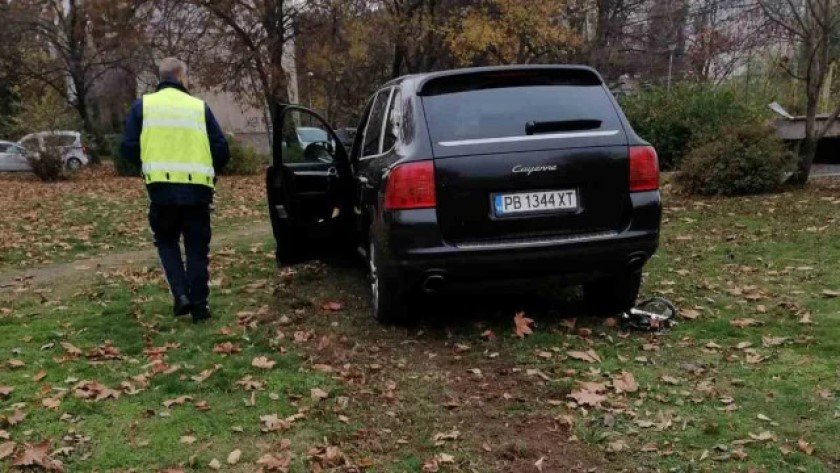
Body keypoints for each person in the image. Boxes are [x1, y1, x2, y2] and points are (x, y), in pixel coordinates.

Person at [120, 57, 230, 323]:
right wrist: (209, 172)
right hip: (197, 190)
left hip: (161, 189)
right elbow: (221, 149)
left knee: (167, 242)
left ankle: (180, 295)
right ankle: (200, 306)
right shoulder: (198, 107)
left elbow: (127, 147)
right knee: (196, 249)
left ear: (161, 77)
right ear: (182, 77)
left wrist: (148, 166)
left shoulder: (142, 107)